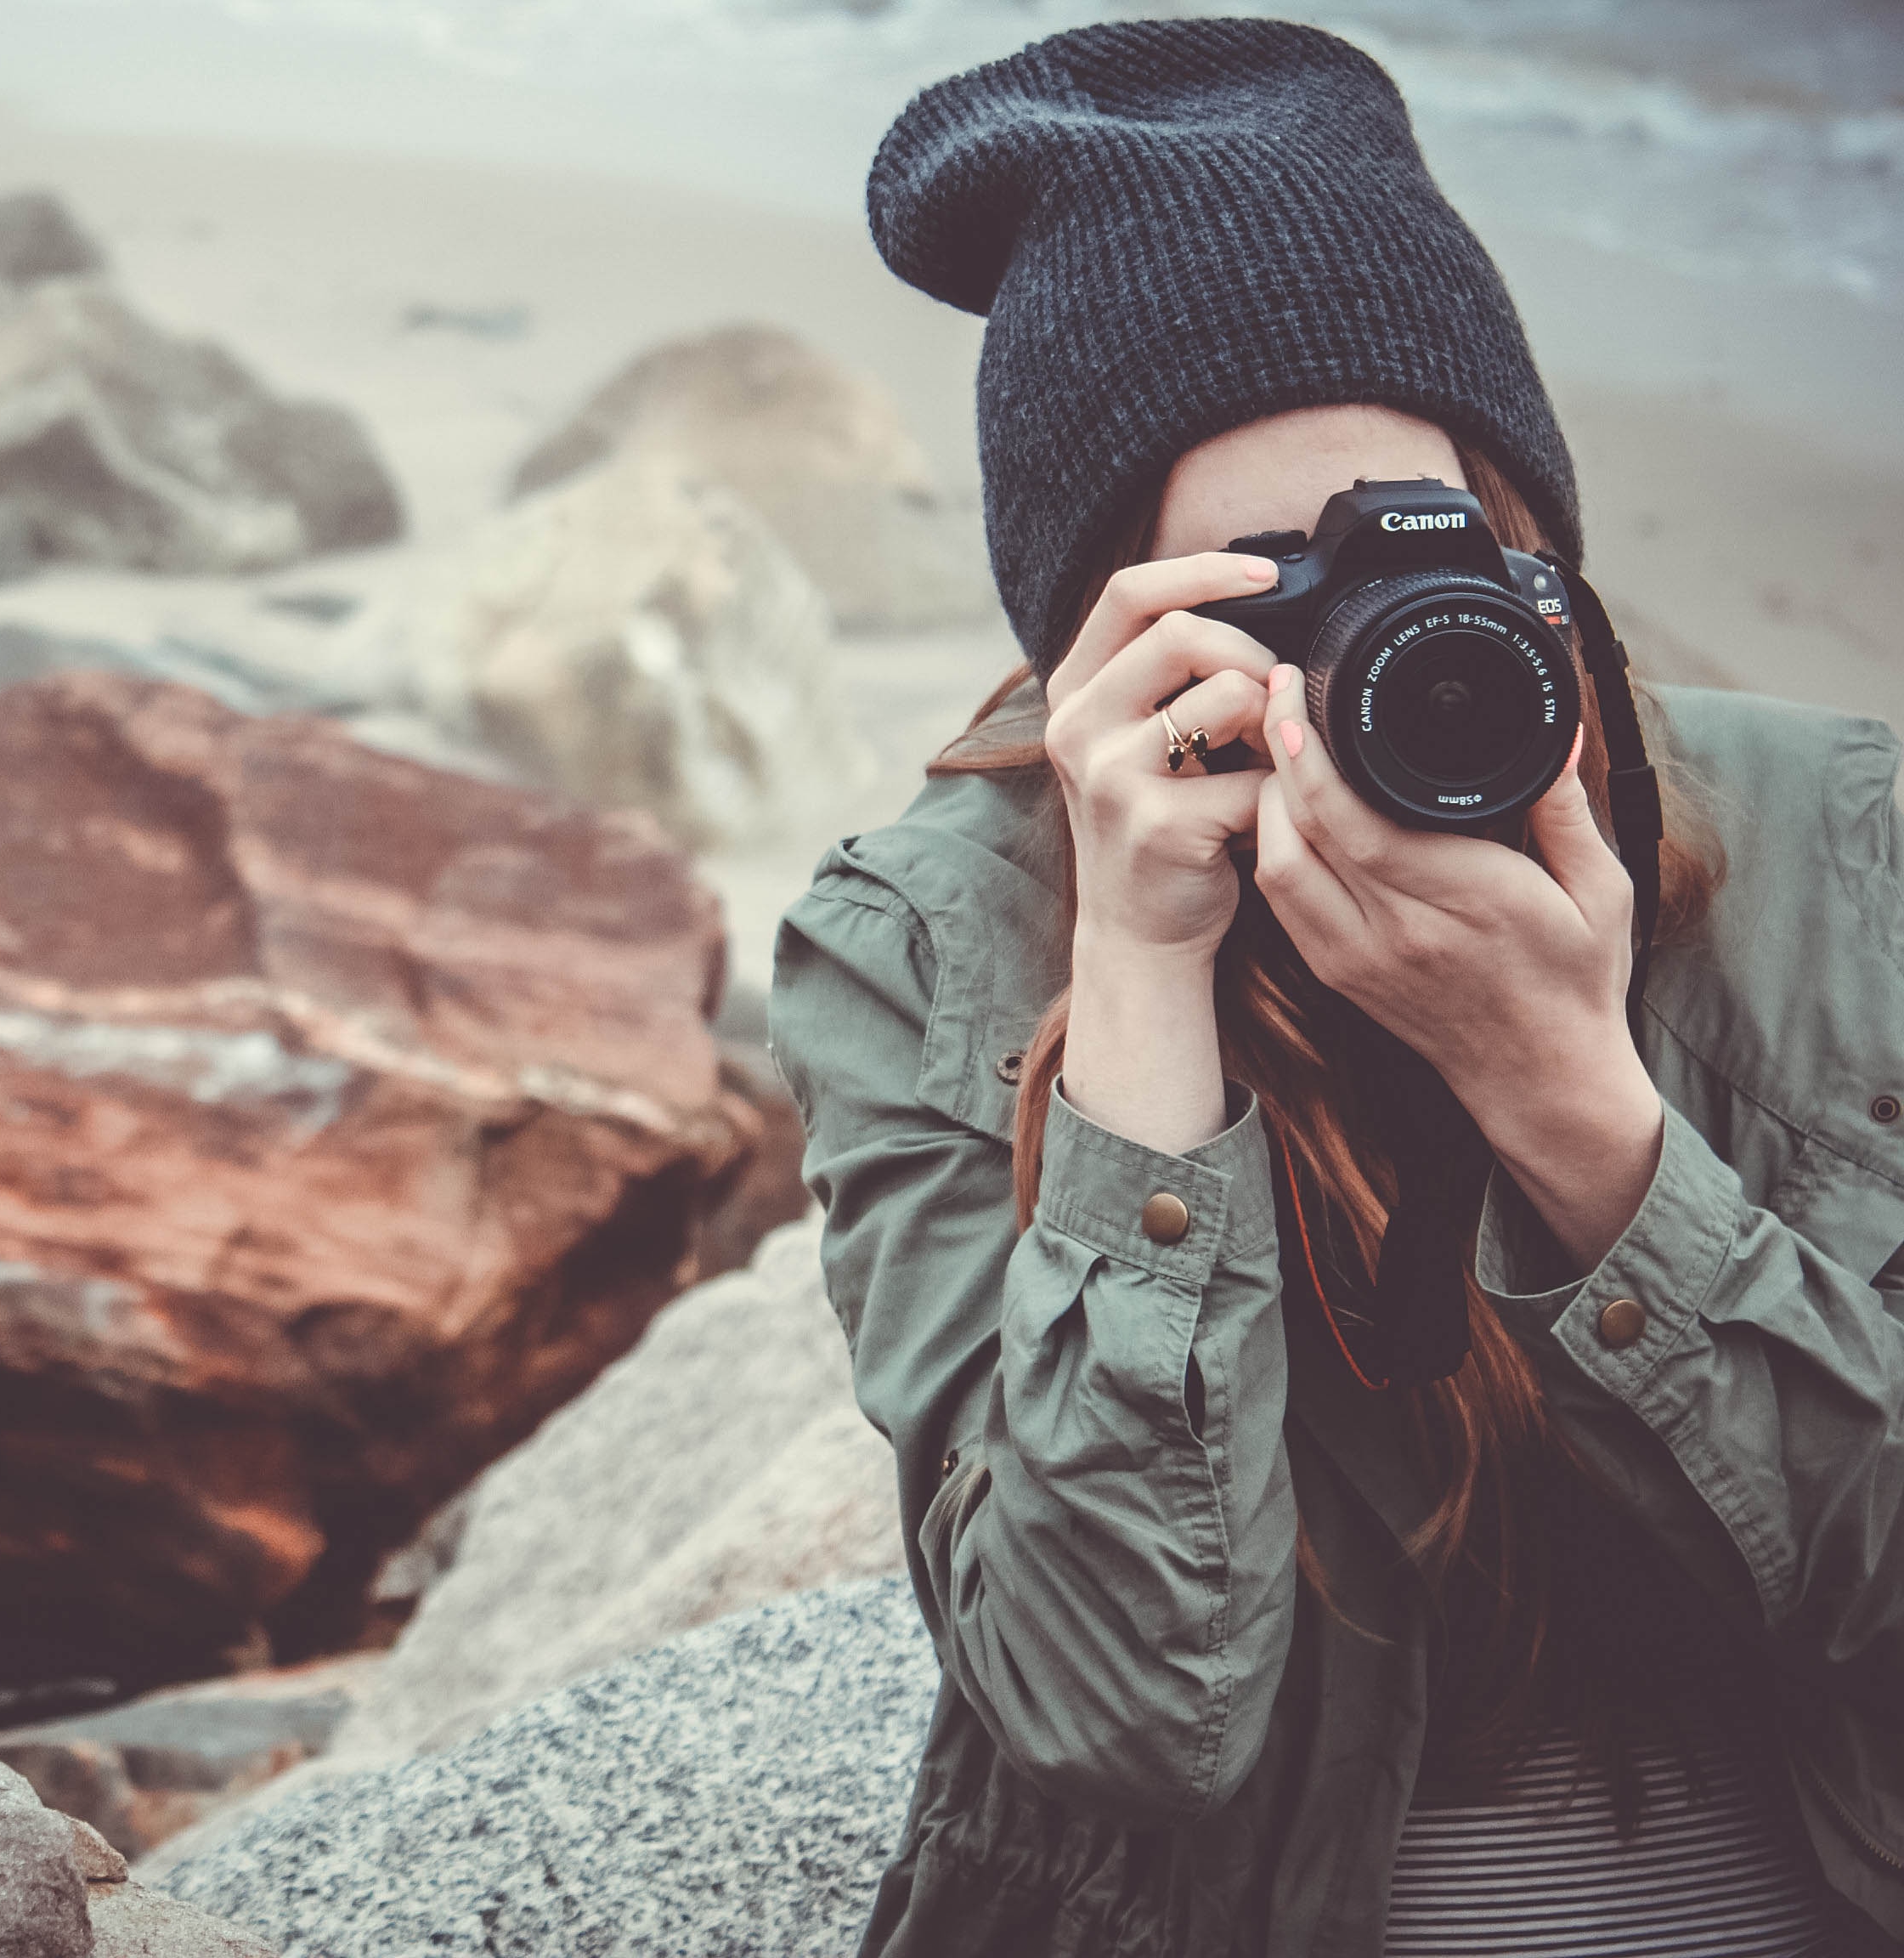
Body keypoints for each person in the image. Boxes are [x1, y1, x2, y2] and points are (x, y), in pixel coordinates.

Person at [771, 20, 1904, 1958]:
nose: (1383, 633)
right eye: (1270, 588)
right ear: (1101, 648)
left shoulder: (1850, 847)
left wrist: (1575, 1110)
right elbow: (1114, 1713)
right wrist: (1141, 979)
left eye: (1442, 546)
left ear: (1544, 549)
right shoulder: (933, 947)